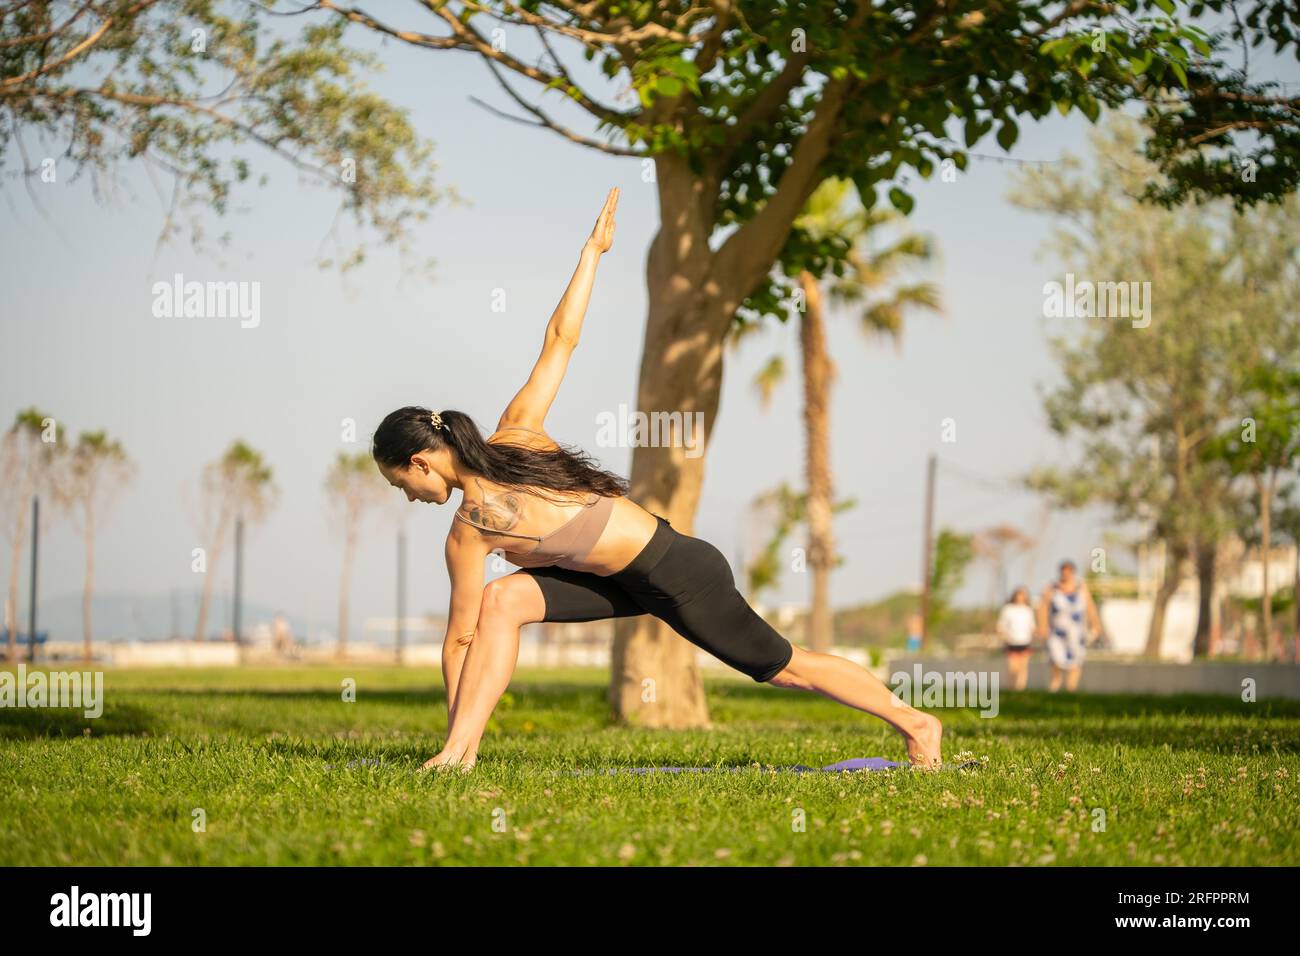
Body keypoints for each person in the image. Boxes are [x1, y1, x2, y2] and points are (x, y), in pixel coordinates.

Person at [370, 188, 943, 772]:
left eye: (400, 484)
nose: (409, 497)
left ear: (420, 461)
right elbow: (464, 636)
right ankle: (460, 756)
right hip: (620, 581)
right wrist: (453, 738)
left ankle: (918, 723)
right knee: (504, 599)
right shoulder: (485, 498)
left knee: (784, 667)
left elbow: (560, 340)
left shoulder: (502, 464)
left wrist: (593, 252)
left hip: (678, 572)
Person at [1035, 560, 1101, 693]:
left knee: (1076, 662)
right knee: (1056, 660)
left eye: (1069, 571)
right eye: (1064, 571)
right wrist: (1042, 626)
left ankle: (1071, 690)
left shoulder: (1081, 587)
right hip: (1057, 632)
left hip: (1076, 632)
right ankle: (1054, 688)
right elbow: (1042, 608)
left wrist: (1096, 624)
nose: (1066, 574)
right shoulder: (1051, 588)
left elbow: (1090, 607)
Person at [996, 586, 1035, 691]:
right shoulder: (1008, 609)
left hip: (1025, 642)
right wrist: (1005, 637)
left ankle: (1020, 688)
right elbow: (1001, 626)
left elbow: (1032, 626)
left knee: (1023, 668)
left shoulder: (1028, 610)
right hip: (1012, 642)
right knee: (1012, 668)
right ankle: (1012, 688)